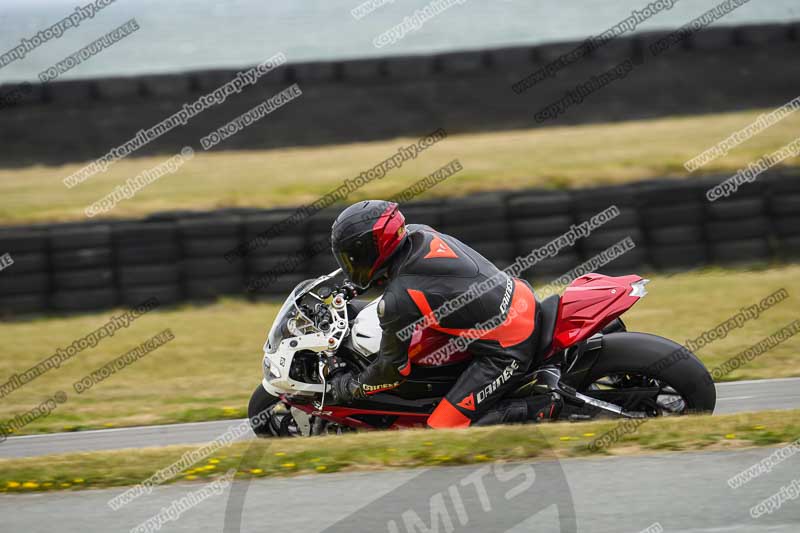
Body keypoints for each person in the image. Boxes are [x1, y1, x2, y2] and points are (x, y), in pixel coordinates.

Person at [327, 200, 562, 428]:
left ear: (371, 250)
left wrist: (350, 386)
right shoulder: (418, 233)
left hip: (509, 346)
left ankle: (539, 408)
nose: (349, 265)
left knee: (442, 427)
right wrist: (351, 288)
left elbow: (392, 372)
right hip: (520, 295)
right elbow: (395, 275)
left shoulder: (399, 299)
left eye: (351, 259)